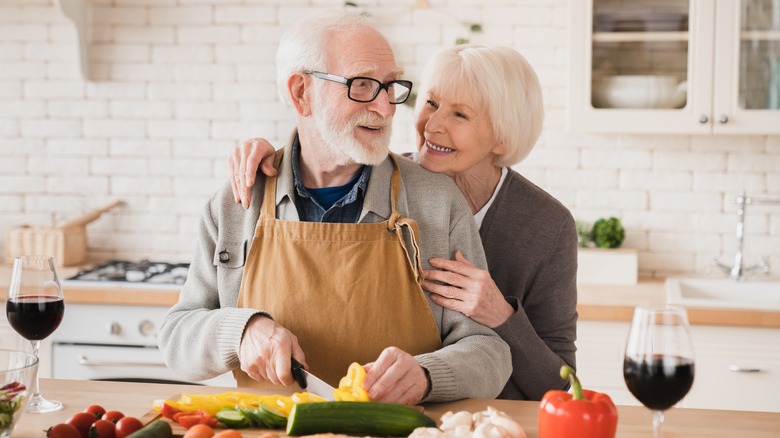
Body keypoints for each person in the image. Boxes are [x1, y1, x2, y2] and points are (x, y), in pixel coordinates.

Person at [158, 11, 511, 405]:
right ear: (300, 93)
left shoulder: (437, 202)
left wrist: (428, 375)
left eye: (390, 85)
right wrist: (241, 331)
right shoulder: (237, 203)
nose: (386, 107)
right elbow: (176, 339)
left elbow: (489, 351)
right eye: (362, 85)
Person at [229, 44, 578, 401]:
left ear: (502, 136)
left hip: (496, 418)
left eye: (460, 115)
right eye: (431, 103)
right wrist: (271, 158)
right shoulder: (381, 180)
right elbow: (321, 151)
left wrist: (501, 315)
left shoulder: (549, 227)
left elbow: (560, 385)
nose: (433, 125)